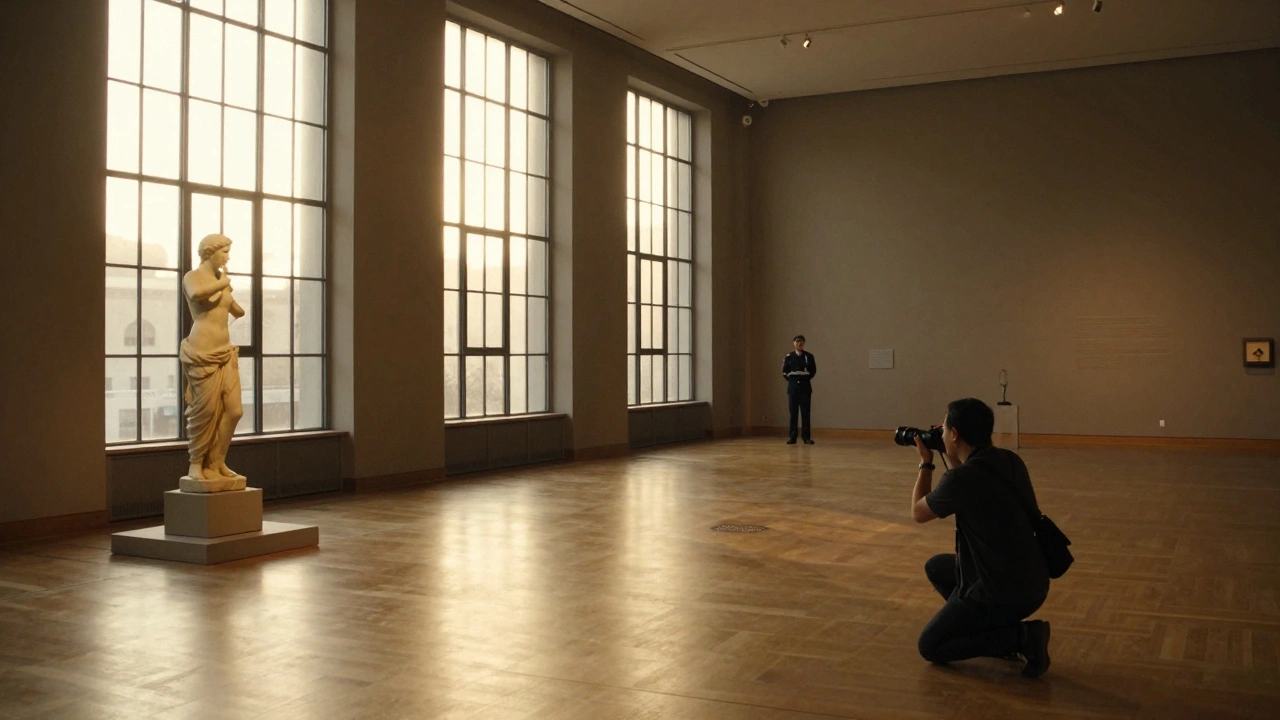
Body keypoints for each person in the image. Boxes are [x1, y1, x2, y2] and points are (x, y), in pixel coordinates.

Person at [909, 398, 1052, 678]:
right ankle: (996, 632)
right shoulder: (1009, 460)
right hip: (1032, 580)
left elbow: (918, 513)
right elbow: (965, 477)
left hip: (1001, 591)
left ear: (954, 434)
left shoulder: (963, 480)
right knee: (937, 567)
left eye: (945, 428)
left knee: (931, 646)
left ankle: (1021, 638)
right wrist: (949, 451)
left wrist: (926, 464)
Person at [179, 234, 246, 490]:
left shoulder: (222, 282)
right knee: (204, 411)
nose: (227, 257)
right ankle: (196, 463)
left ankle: (217, 462)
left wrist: (232, 298)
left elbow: (235, 310)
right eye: (224, 252)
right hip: (202, 350)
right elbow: (197, 294)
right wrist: (224, 283)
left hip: (225, 351)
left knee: (234, 410)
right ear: (209, 252)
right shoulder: (192, 277)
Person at [781, 335, 816, 444]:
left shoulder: (809, 356)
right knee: (793, 413)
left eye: (801, 342)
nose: (799, 343)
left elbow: (813, 371)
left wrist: (803, 378)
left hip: (805, 388)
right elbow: (784, 372)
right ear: (794, 343)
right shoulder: (789, 357)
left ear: (804, 343)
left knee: (806, 413)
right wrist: (793, 380)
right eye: (797, 341)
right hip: (793, 389)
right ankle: (792, 436)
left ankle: (806, 437)